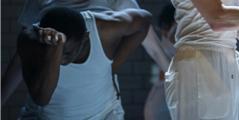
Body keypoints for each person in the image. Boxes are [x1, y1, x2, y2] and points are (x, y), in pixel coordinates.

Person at [1, 0, 171, 106]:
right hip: (49, 102)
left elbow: (155, 49)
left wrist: (179, 85)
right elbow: (22, 56)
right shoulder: (39, 0)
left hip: (98, 104)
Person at [18, 6, 152, 119]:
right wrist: (55, 46)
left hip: (103, 114)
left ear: (85, 38)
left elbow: (144, 20)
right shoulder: (31, 40)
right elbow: (41, 98)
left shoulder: (104, 31)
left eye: (68, 53)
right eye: (59, 53)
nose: (62, 60)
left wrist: (113, 66)